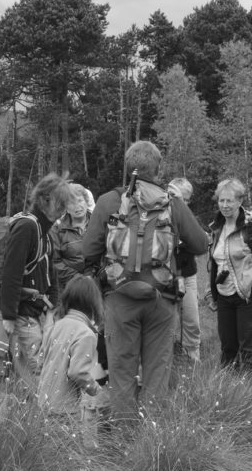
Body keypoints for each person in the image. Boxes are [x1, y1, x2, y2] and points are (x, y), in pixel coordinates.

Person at [82, 141, 208, 424]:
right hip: (161, 301)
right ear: (158, 169)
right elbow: (200, 244)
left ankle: (124, 440)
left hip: (119, 298)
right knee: (157, 371)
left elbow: (87, 252)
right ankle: (151, 442)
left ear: (127, 169)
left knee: (121, 370)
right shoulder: (171, 202)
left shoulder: (108, 202)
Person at [0, 173, 75, 386]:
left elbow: (51, 275)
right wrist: (9, 316)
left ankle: (35, 412)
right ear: (45, 200)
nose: (63, 211)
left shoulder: (46, 232)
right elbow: (11, 273)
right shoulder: (27, 227)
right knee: (40, 369)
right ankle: (44, 415)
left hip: (38, 314)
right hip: (22, 314)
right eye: (60, 204)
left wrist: (52, 309)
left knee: (35, 369)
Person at [208, 178, 252, 370]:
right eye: (221, 201)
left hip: (249, 295)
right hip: (224, 295)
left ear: (240, 201)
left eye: (229, 201)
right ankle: (227, 394)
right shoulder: (216, 227)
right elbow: (215, 261)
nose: (224, 205)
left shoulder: (251, 225)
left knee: (249, 350)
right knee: (228, 348)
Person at [36, 275, 103, 441]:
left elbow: (40, 361)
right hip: (65, 408)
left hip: (44, 402)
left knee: (46, 453)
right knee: (64, 456)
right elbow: (77, 372)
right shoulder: (85, 333)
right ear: (93, 302)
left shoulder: (56, 326)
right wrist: (94, 388)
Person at [168, 177, 202, 362]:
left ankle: (193, 355)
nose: (184, 203)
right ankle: (170, 356)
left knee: (191, 318)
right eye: (181, 198)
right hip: (166, 278)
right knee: (169, 320)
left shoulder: (190, 219)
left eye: (187, 199)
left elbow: (201, 244)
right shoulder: (162, 217)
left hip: (188, 274)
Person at [50, 183, 94, 292]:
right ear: (65, 207)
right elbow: (54, 262)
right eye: (71, 203)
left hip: (96, 283)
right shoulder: (56, 229)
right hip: (69, 287)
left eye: (80, 200)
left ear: (86, 201)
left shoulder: (98, 222)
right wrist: (79, 279)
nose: (77, 206)